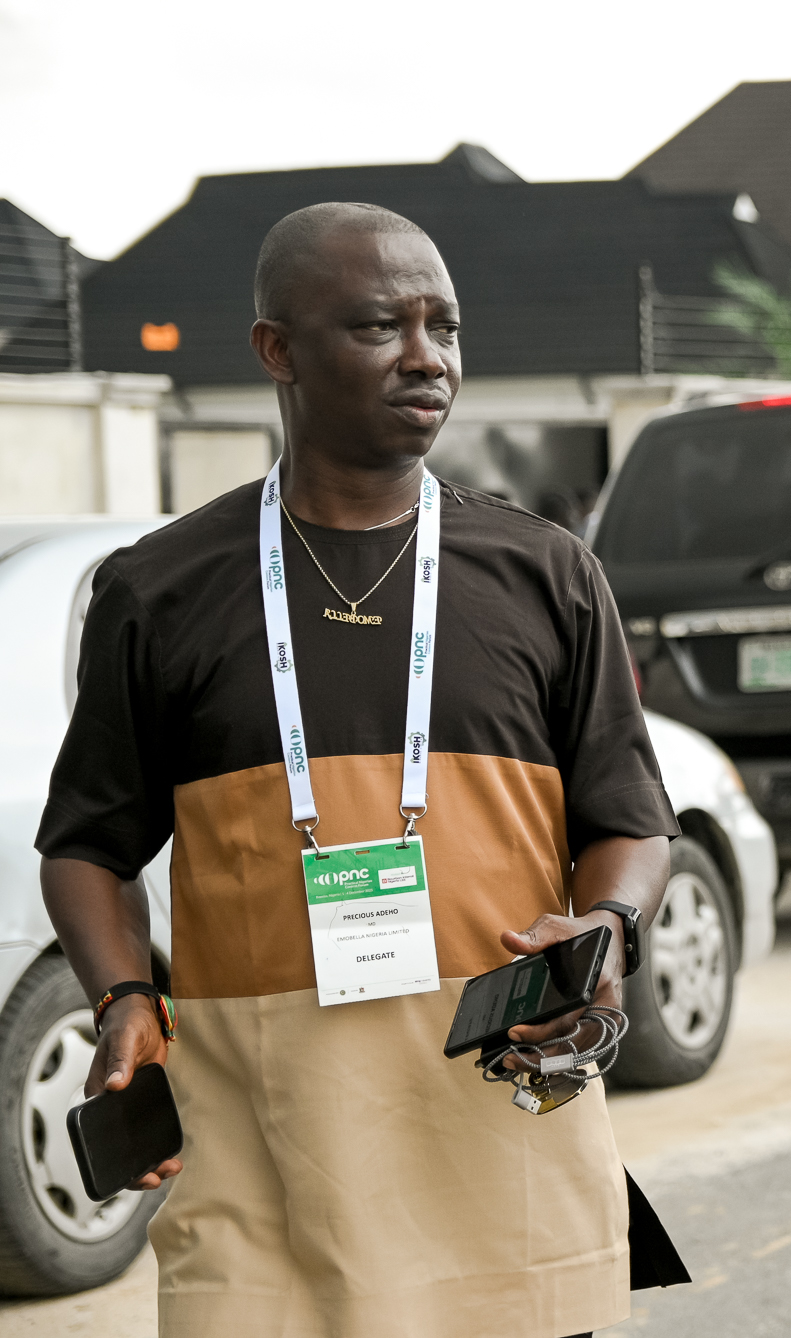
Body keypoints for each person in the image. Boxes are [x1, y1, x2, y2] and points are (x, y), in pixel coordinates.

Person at [35, 203, 677, 1337]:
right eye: (382, 326)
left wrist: (607, 927)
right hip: (267, 1149)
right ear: (276, 349)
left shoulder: (547, 573)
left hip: (501, 1125)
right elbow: (87, 843)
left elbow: (630, 818)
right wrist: (123, 997)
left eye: (445, 326)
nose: (427, 356)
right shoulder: (161, 588)